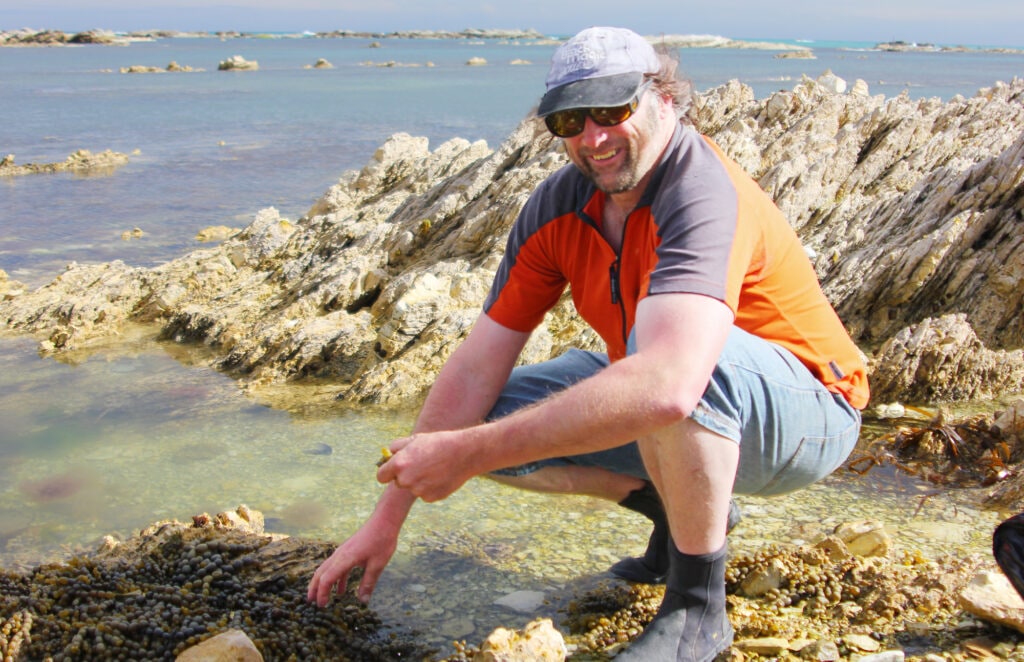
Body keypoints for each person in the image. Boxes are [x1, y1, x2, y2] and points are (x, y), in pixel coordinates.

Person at [308, 26, 869, 661]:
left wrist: (467, 453)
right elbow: (474, 368)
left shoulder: (701, 192)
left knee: (676, 376)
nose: (592, 138)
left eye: (612, 110)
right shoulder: (556, 207)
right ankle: (671, 509)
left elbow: (671, 383)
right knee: (488, 418)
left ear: (665, 100)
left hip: (809, 414)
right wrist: (388, 518)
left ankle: (696, 606)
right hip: (680, 400)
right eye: (571, 120)